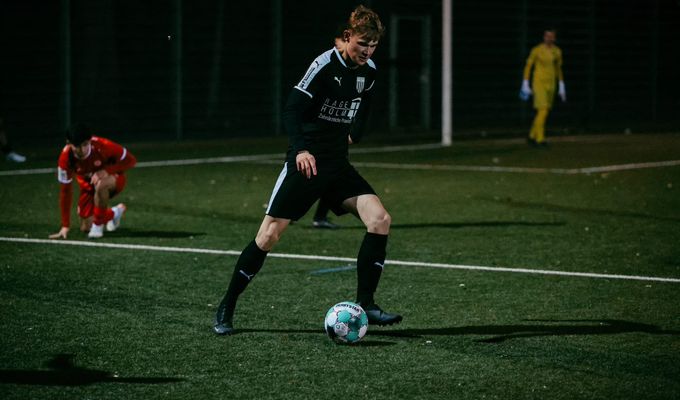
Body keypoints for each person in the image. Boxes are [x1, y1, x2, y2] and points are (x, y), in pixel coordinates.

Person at [214, 5, 402, 336]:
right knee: (268, 236)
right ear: (347, 37)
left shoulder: (368, 70)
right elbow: (292, 108)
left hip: (337, 165)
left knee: (380, 220)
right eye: (362, 44)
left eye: (373, 46)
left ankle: (367, 304)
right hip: (308, 164)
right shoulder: (323, 65)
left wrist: (355, 133)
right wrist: (301, 150)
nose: (367, 52)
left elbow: (365, 104)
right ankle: (227, 304)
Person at [49, 123, 136, 240]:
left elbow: (131, 160)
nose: (82, 150)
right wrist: (65, 226)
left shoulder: (102, 145)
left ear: (89, 141)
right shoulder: (65, 159)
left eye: (85, 144)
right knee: (86, 226)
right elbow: (65, 192)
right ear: (68, 143)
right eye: (77, 146)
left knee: (101, 184)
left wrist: (107, 170)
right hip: (88, 188)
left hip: (113, 180)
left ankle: (98, 227)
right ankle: (115, 213)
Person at [520, 29, 566, 146]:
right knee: (543, 110)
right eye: (547, 36)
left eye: (551, 36)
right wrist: (525, 82)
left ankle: (531, 135)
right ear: (544, 37)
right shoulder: (537, 50)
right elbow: (528, 66)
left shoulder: (557, 51)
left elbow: (558, 69)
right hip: (539, 82)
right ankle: (540, 139)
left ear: (554, 38)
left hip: (551, 84)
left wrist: (561, 85)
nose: (549, 38)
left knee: (544, 111)